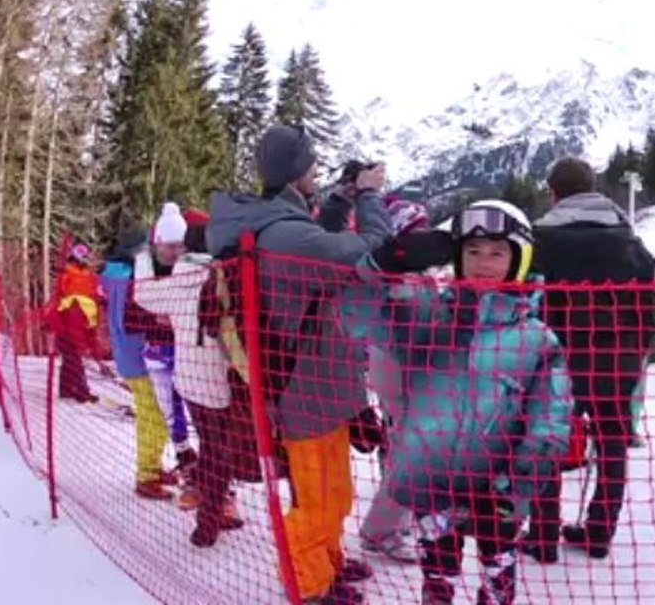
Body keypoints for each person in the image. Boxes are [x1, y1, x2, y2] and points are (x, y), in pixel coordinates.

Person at [340, 199, 572, 605]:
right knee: (437, 581)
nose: (484, 263)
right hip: (432, 481)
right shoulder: (426, 315)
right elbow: (354, 318)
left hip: (497, 488)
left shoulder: (535, 339)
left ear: (518, 260)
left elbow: (549, 425)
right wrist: (377, 267)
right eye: (474, 252)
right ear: (458, 257)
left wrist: (516, 487)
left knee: (498, 581)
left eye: (498, 253)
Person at [207, 124, 391, 605]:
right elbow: (370, 245)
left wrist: (343, 197)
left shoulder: (276, 222)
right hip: (303, 391)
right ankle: (309, 588)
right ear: (297, 170)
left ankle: (326, 564)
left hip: (318, 385)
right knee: (314, 501)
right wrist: (370, 198)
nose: (317, 170)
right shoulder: (285, 233)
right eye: (312, 163)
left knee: (335, 493)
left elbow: (314, 234)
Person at [525, 156, 655, 563]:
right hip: (614, 357)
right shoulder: (627, 239)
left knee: (545, 440)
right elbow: (648, 302)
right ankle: (599, 532)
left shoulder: (539, 240)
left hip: (555, 357)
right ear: (594, 187)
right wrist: (636, 349)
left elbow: (527, 298)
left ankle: (543, 535)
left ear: (553, 191)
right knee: (612, 442)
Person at [135, 211, 248, 547]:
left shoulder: (173, 284)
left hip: (189, 382)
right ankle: (213, 514)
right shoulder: (220, 279)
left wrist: (143, 256)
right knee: (220, 453)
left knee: (213, 450)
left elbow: (141, 294)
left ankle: (209, 514)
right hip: (219, 386)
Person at [359, 195, 432, 563]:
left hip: (400, 369)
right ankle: (381, 530)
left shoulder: (411, 274)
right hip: (398, 371)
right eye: (419, 231)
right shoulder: (396, 277)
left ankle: (393, 523)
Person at [100, 227, 181, 500]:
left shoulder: (113, 275)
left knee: (154, 413)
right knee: (153, 415)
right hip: (139, 356)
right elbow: (132, 318)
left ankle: (154, 467)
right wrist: (159, 320)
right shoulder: (132, 278)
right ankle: (147, 475)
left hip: (127, 352)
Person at [136, 203, 199, 488]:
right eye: (170, 246)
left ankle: (206, 478)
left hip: (189, 353)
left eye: (180, 246)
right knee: (171, 414)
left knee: (200, 414)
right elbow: (131, 312)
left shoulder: (189, 270)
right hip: (157, 353)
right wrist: (153, 315)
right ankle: (187, 466)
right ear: (159, 243)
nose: (175, 252)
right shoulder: (144, 271)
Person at [54, 242, 101, 403]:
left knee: (71, 357)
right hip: (69, 318)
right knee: (72, 356)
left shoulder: (86, 274)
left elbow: (93, 293)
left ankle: (67, 389)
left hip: (80, 319)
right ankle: (80, 391)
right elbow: (63, 294)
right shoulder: (69, 273)